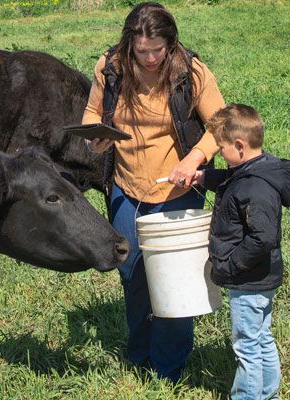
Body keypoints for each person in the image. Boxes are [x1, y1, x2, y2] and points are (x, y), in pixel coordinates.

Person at [81, 2, 225, 381]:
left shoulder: (190, 72)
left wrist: (194, 159)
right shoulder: (109, 68)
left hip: (176, 192)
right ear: (129, 44)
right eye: (141, 51)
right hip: (127, 189)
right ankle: (140, 353)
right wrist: (96, 138)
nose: (148, 58)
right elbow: (92, 115)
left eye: (156, 51)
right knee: (133, 274)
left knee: (173, 280)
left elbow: (221, 124)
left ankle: (168, 368)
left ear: (171, 44)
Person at [192, 104, 290, 399]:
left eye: (221, 148)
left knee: (247, 346)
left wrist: (229, 265)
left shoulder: (256, 187)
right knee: (261, 338)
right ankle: (269, 394)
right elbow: (232, 182)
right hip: (260, 277)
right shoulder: (253, 170)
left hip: (248, 279)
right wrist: (203, 178)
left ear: (239, 145)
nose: (219, 155)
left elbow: (263, 238)